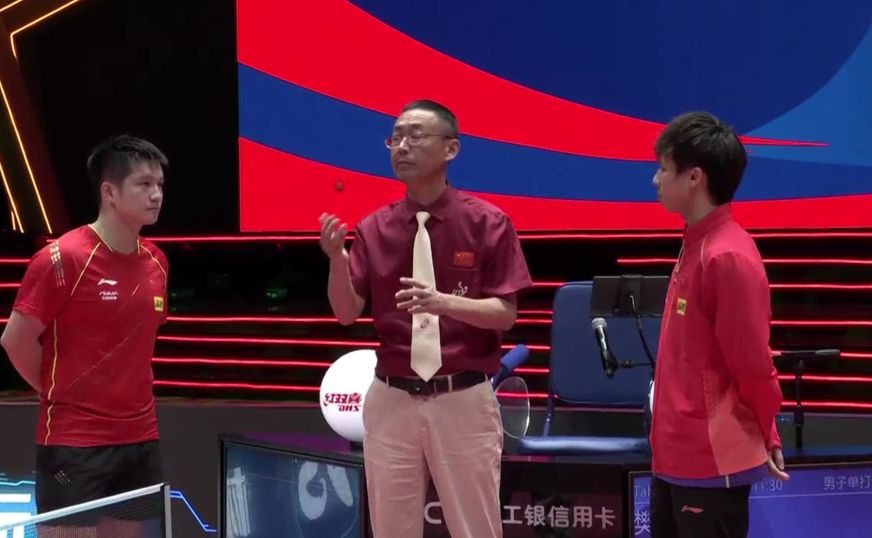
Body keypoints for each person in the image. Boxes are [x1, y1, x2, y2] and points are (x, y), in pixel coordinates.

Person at [319, 99, 531, 537]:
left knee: (476, 528)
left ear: (451, 149)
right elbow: (345, 312)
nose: (402, 146)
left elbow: (505, 315)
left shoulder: (487, 222)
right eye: (395, 138)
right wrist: (337, 260)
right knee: (391, 529)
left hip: (462, 395)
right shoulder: (374, 228)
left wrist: (443, 303)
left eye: (415, 135)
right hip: (391, 396)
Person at [1, 135, 169, 533]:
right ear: (109, 192)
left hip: (140, 438)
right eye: (144, 184)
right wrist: (60, 392)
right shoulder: (62, 259)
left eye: (160, 184)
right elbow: (15, 341)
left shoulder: (157, 263)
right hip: (73, 443)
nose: (156, 195)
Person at [648, 112, 789, 537]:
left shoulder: (727, 256)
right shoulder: (695, 243)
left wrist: (768, 432)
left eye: (664, 168)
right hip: (673, 455)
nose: (655, 180)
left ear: (694, 177)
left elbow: (752, 364)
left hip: (711, 462)